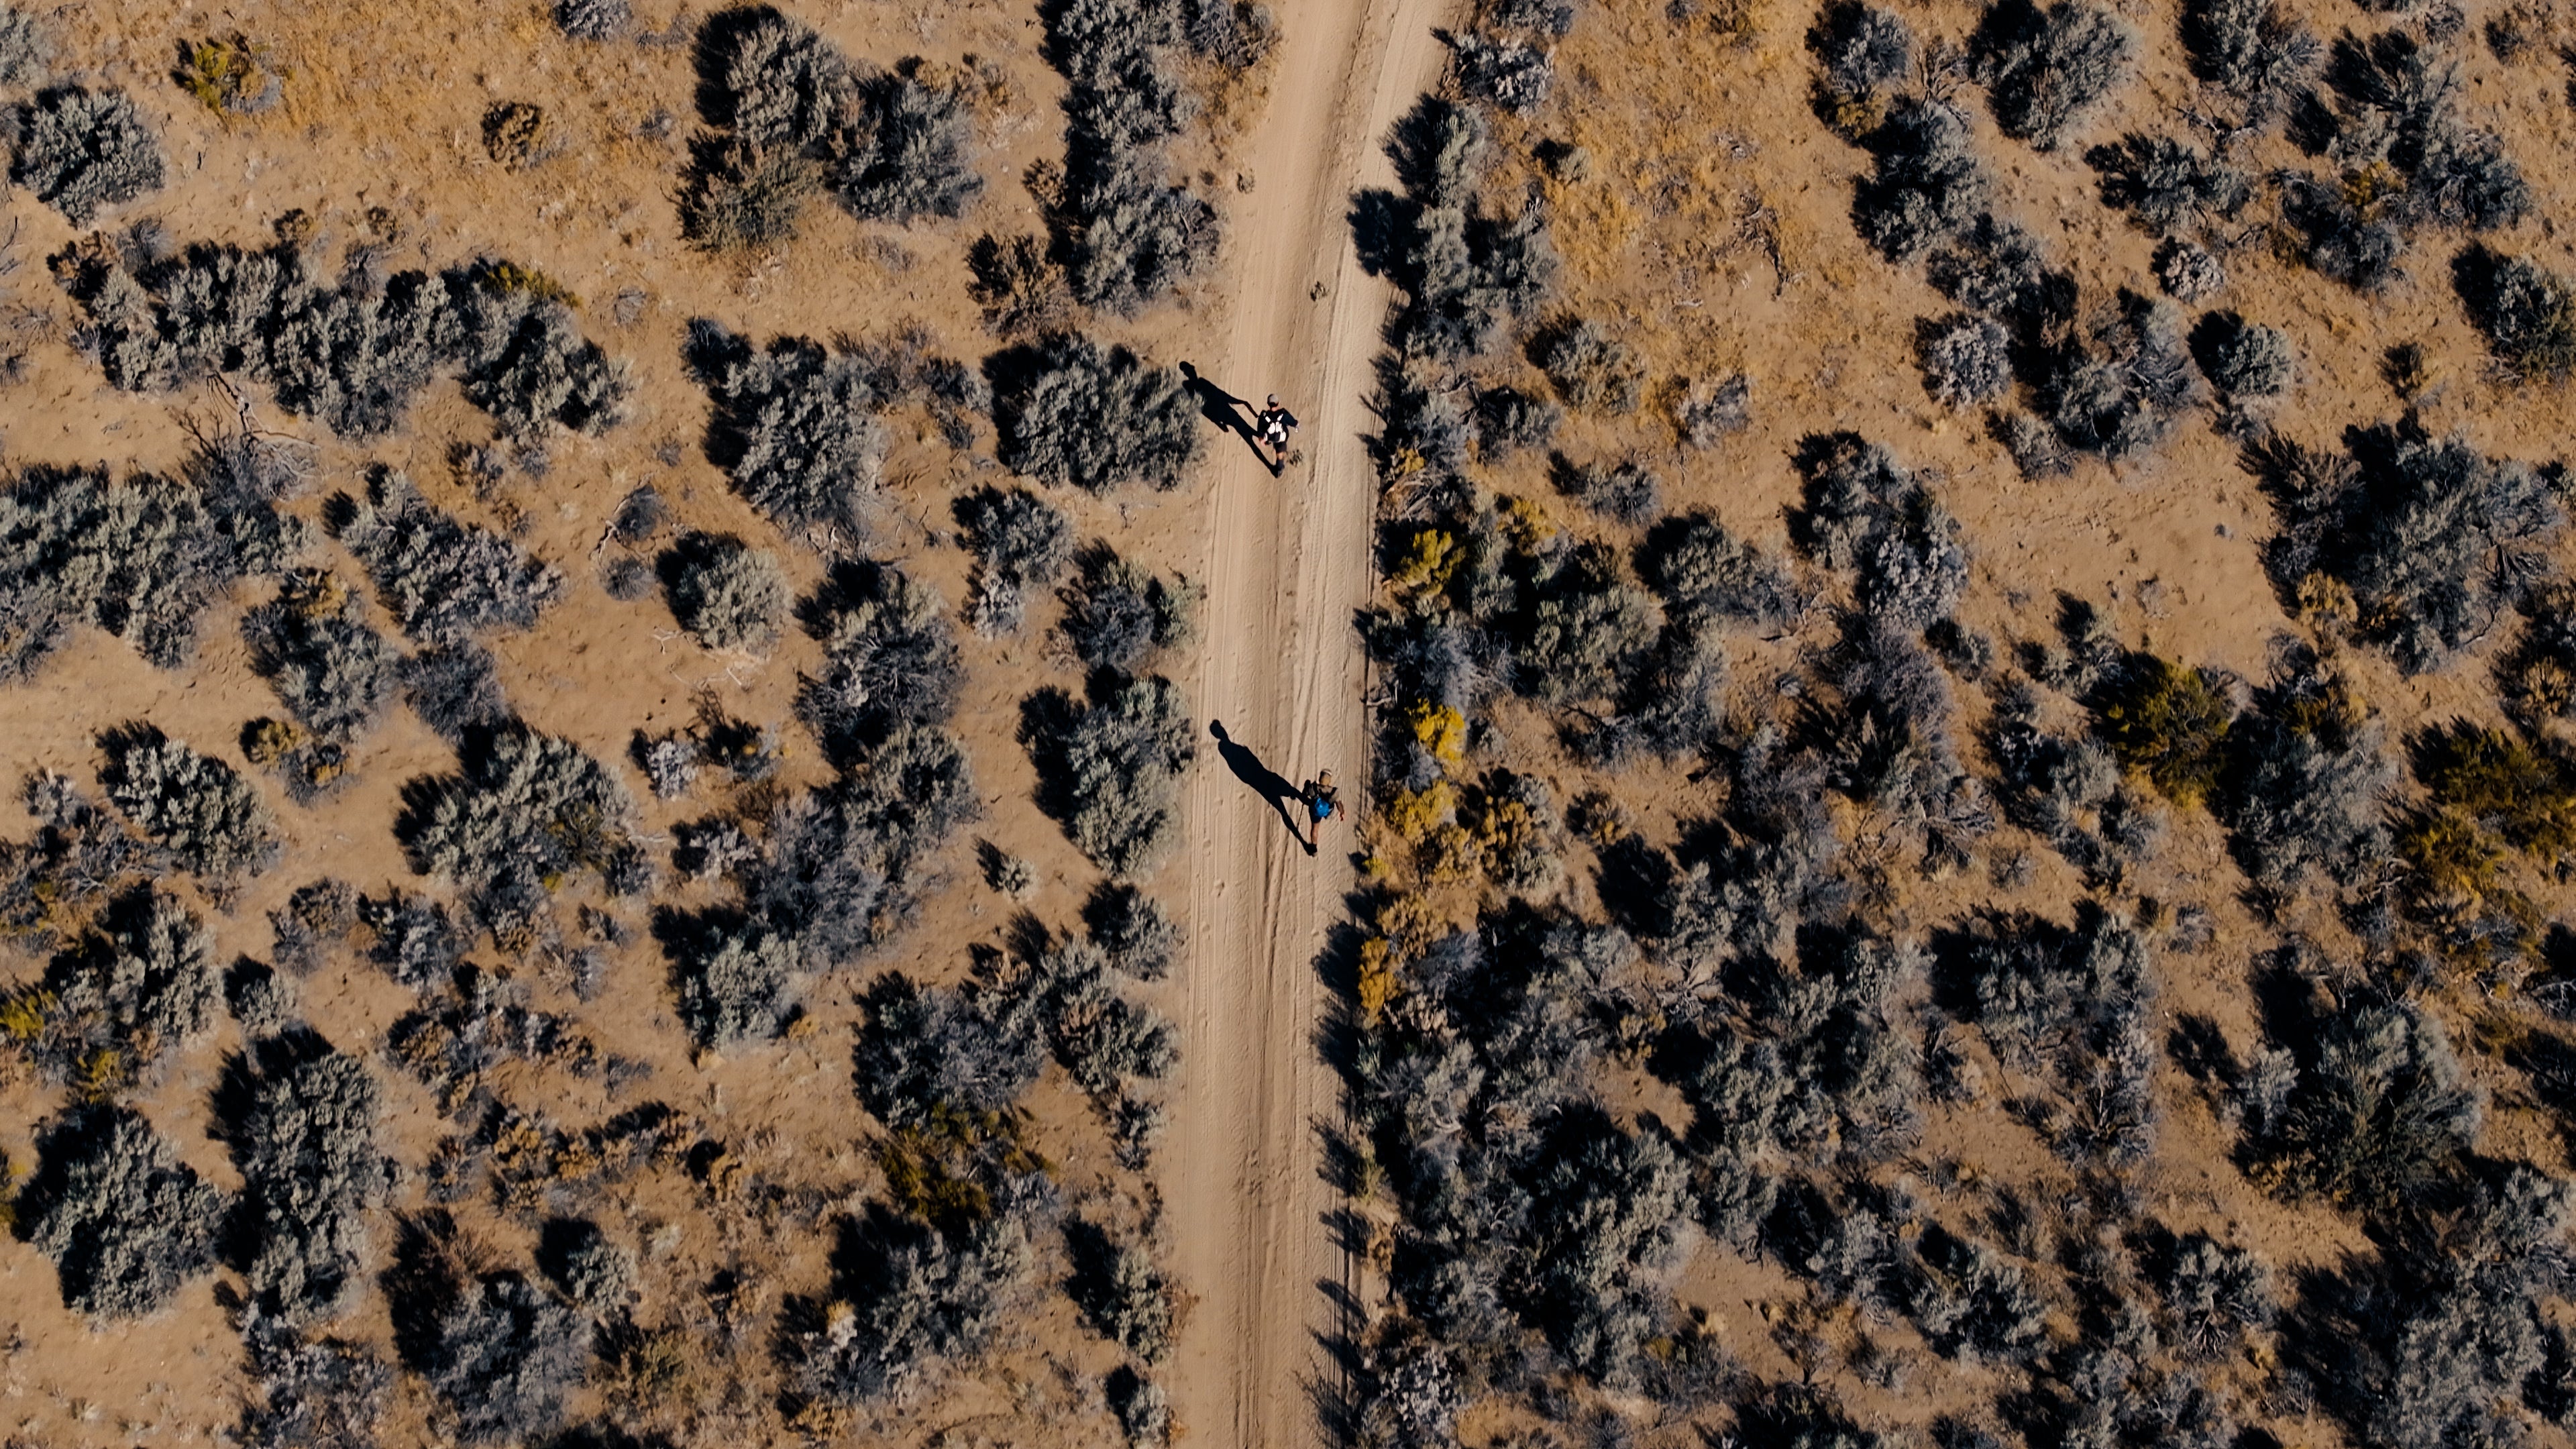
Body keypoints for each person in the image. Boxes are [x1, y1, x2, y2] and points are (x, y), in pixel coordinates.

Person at [1254, 394, 1299, 469]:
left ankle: (1274, 445)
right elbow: (1294, 423)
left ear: (1268, 404)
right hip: (1281, 437)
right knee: (1280, 453)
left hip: (1269, 437)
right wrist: (1297, 427)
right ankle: (1279, 469)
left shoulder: (1263, 415)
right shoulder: (1283, 413)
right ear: (1278, 403)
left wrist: (1262, 440)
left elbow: (1260, 431)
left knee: (1271, 433)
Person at [1301, 769, 1339, 849]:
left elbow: (1304, 796)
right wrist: (1342, 812)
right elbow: (1338, 803)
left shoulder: (1313, 787)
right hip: (1327, 812)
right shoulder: (1333, 791)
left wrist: (1306, 786)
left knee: (1315, 829)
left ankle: (1314, 849)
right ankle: (1327, 816)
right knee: (1330, 806)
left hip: (1315, 812)